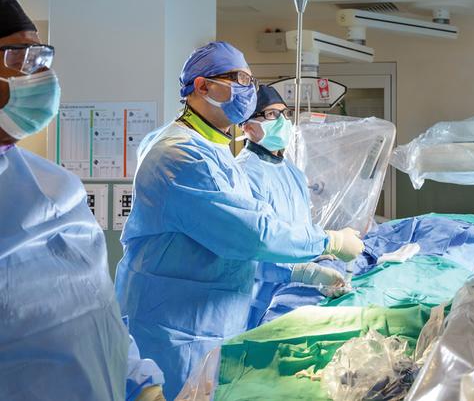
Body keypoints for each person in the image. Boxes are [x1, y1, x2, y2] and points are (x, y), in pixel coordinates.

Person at [115, 41, 365, 399]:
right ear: (201, 87)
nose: (249, 91)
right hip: (175, 329)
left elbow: (235, 250)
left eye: (251, 80)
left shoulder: (213, 151)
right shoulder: (178, 156)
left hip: (210, 322)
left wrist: (299, 272)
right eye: (239, 79)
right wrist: (329, 242)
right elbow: (252, 235)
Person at [0, 0, 165, 401]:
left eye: (41, 57)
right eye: (19, 56)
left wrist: (138, 378)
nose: (39, 74)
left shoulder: (55, 183)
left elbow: (95, 309)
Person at [236, 85, 358, 328]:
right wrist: (306, 272)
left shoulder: (291, 172)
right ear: (247, 126)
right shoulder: (243, 174)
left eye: (284, 113)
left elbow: (299, 229)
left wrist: (318, 253)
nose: (282, 121)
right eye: (271, 114)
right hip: (258, 299)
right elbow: (252, 246)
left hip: (296, 292)